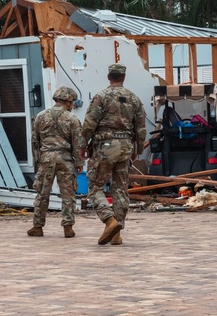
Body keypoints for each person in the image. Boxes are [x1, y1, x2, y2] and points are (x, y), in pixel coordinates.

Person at [80, 63, 147, 245]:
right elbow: (141, 128)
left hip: (105, 145)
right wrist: (138, 149)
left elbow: (89, 123)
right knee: (120, 189)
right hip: (126, 146)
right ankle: (117, 232)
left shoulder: (101, 96)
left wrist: (82, 145)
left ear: (109, 77)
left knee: (94, 187)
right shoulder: (134, 99)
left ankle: (109, 220)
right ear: (123, 78)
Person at [28, 86, 83, 238]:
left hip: (46, 158)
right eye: (72, 103)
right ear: (68, 101)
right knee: (68, 194)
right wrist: (79, 162)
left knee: (42, 193)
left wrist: (37, 160)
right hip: (65, 159)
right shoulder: (72, 119)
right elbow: (78, 143)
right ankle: (68, 226)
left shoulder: (40, 116)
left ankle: (37, 226)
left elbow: (35, 141)